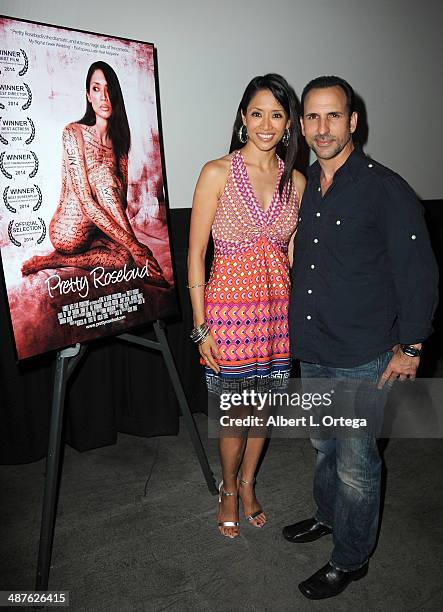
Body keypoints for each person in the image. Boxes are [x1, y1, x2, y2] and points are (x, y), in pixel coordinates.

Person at [284, 76, 438, 599]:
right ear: (302, 125)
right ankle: (329, 519)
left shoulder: (383, 187)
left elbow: (418, 271)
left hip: (362, 354)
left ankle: (350, 559)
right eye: (312, 117)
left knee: (356, 463)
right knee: (324, 446)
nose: (321, 128)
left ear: (353, 122)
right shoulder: (304, 185)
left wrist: (412, 346)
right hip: (314, 345)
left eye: (333, 116)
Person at [188, 74, 305, 538]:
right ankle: (229, 489)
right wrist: (201, 327)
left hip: (278, 317)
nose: (266, 123)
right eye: (257, 113)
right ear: (242, 117)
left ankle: (250, 482)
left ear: (288, 123)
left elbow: (293, 257)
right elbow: (195, 254)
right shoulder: (217, 172)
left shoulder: (294, 179)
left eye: (276, 115)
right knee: (235, 414)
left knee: (265, 412)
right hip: (228, 318)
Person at [21, 61, 167, 286]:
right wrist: (136, 245)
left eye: (109, 89)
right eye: (96, 89)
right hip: (69, 231)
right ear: (88, 95)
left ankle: (135, 256)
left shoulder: (119, 144)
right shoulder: (73, 132)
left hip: (98, 230)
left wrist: (129, 248)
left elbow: (122, 202)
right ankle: (52, 260)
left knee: (123, 262)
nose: (103, 96)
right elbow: (86, 201)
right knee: (102, 175)